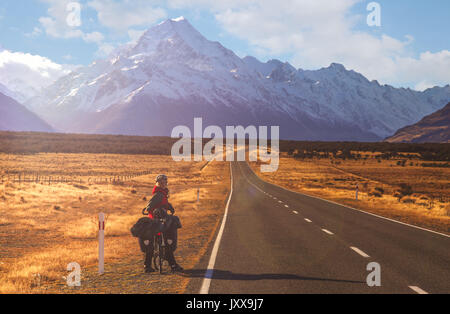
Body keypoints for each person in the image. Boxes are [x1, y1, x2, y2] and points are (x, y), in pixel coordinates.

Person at [140, 174, 183, 273]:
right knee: (166, 242)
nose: (163, 184)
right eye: (161, 183)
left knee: (154, 243)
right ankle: (173, 265)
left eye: (164, 182)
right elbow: (149, 207)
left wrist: (169, 207)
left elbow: (163, 204)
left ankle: (147, 266)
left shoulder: (162, 193)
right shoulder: (158, 194)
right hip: (157, 221)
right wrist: (156, 211)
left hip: (159, 221)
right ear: (157, 183)